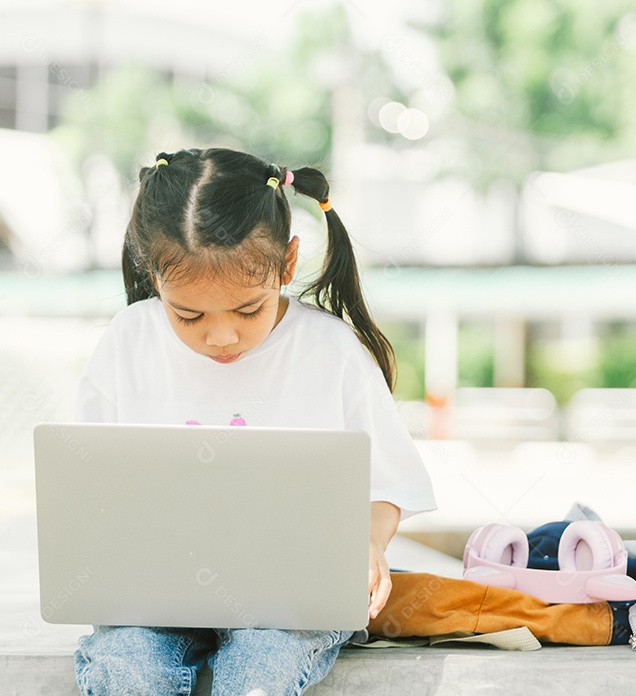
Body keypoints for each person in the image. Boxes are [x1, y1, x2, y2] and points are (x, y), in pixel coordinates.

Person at [72, 147, 436, 695]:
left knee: (260, 671)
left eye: (248, 310)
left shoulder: (329, 350)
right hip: (153, 595)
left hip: (289, 599)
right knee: (127, 668)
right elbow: (83, 476)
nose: (221, 336)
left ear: (288, 265)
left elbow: (388, 485)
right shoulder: (129, 339)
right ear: (153, 275)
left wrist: (366, 542)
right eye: (188, 314)